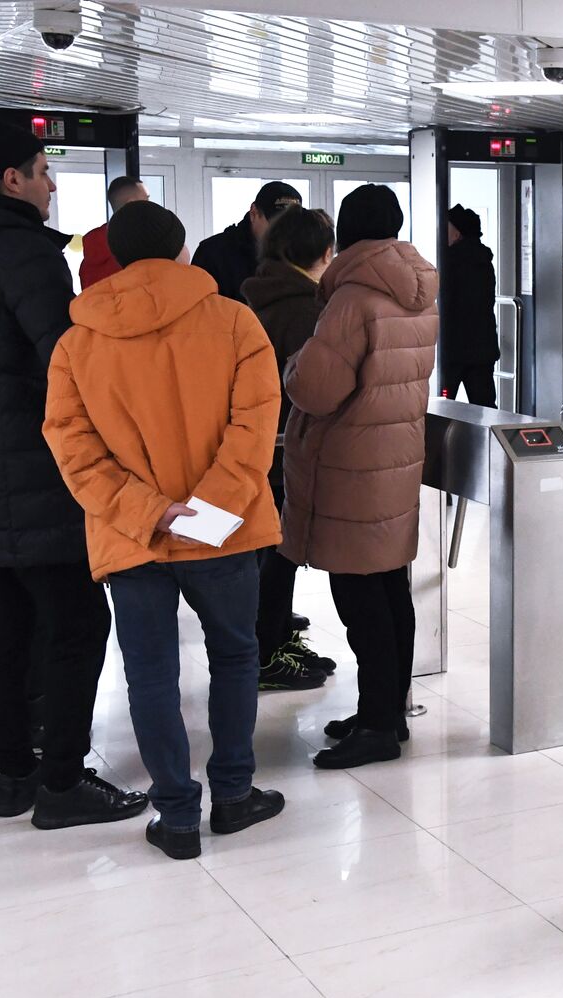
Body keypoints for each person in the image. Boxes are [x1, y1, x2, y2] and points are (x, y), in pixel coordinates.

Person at [44, 199, 286, 861]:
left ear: (114, 258)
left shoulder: (76, 344)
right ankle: (233, 797)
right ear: (182, 249)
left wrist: (150, 511)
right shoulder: (235, 323)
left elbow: (73, 447)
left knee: (150, 678)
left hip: (132, 537)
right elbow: (257, 425)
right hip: (224, 531)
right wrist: (206, 508)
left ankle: (178, 819)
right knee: (236, 657)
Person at [0, 118, 146, 830]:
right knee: (79, 621)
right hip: (33, 474)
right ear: (10, 180)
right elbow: (65, 362)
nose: (51, 184)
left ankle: (14, 774)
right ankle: (60, 784)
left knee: (2, 627)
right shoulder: (23, 253)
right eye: (43, 169)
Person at [280, 184, 438, 769]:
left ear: (346, 232)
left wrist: (294, 364)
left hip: (351, 466)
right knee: (390, 588)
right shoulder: (419, 290)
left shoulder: (352, 297)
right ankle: (387, 711)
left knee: (358, 596)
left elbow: (317, 387)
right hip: (394, 460)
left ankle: (375, 724)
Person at [242, 206, 338, 691]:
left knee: (271, 552)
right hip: (286, 448)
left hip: (258, 446)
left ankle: (275, 641)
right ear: (323, 253)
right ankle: (265, 654)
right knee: (278, 556)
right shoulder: (304, 309)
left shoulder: (259, 295)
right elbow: (312, 387)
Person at [192, 180, 303, 303]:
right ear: (254, 213)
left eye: (291, 224)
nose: (284, 231)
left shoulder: (302, 254)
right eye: (275, 224)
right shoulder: (212, 253)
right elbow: (199, 309)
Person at [440, 203, 499, 407]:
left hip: (452, 350)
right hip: (483, 349)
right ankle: (488, 440)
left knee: (442, 405)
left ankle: (442, 441)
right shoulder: (484, 260)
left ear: (458, 234)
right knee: (485, 407)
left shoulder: (447, 261)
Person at [78, 176, 148, 289]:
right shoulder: (135, 252)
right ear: (132, 204)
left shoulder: (91, 255)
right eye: (147, 200)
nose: (151, 207)